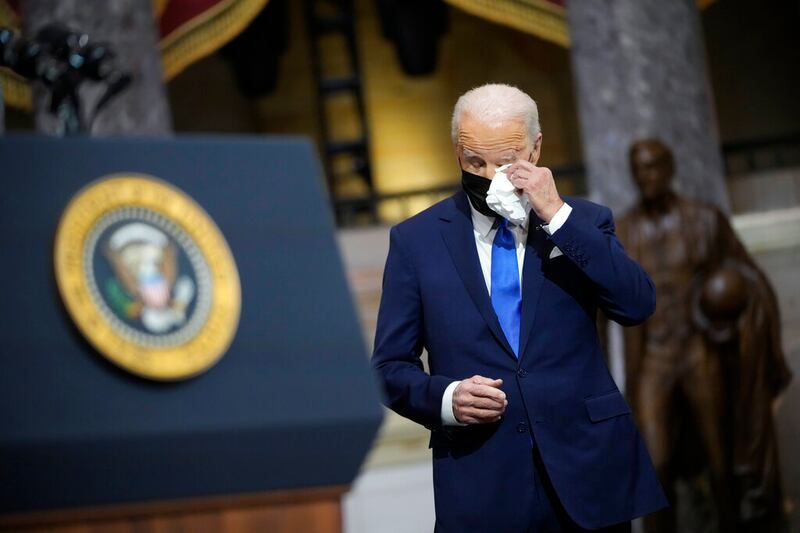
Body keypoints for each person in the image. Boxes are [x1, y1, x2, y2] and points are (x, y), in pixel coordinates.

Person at [371, 84, 667, 532]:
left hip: (588, 474)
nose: (490, 176)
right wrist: (448, 398)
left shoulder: (584, 222)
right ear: (456, 152)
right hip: (483, 481)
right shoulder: (416, 242)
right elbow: (390, 366)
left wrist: (558, 218)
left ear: (537, 147)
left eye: (507, 161)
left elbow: (637, 304)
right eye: (475, 162)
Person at [616, 138, 791, 533]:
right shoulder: (623, 231)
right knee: (656, 461)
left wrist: (730, 308)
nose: (646, 176)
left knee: (720, 456)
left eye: (653, 166)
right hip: (654, 359)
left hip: (698, 350)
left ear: (669, 168)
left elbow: (751, 278)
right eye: (639, 168)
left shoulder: (705, 220)